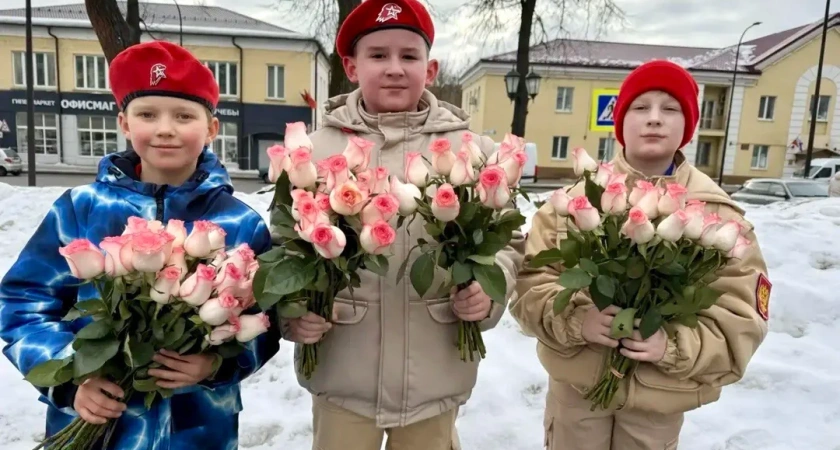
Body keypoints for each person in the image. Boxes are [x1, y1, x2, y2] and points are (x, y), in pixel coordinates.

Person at [0, 41, 280, 449]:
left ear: (212, 129)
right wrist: (73, 378)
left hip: (197, 427)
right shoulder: (81, 209)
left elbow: (264, 321)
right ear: (125, 124)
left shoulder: (239, 223)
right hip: (98, 419)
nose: (165, 128)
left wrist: (214, 364)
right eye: (147, 114)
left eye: (184, 116)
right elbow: (24, 302)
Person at [271, 1, 525, 449]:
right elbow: (282, 243)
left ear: (430, 70)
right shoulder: (314, 151)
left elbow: (506, 238)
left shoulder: (470, 150)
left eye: (409, 56)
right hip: (342, 370)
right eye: (378, 55)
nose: (394, 68)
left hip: (434, 373)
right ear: (351, 66)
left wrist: (490, 287)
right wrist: (293, 312)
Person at [510, 60, 771, 450]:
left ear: (687, 126)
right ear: (619, 120)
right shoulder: (575, 203)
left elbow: (741, 318)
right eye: (640, 107)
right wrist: (577, 319)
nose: (654, 119)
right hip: (576, 398)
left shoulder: (719, 217)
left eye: (670, 109)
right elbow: (531, 282)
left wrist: (673, 344)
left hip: (657, 404)